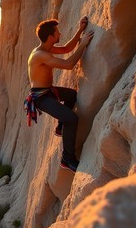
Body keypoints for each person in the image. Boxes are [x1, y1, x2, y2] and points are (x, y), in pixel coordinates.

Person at [25, 16, 94, 172]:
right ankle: (67, 158)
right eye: (57, 32)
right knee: (72, 119)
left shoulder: (45, 48)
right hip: (41, 98)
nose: (60, 34)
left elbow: (65, 49)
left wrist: (80, 30)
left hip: (48, 91)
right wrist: (82, 45)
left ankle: (60, 128)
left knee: (71, 95)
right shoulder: (40, 55)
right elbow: (69, 65)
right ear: (51, 37)